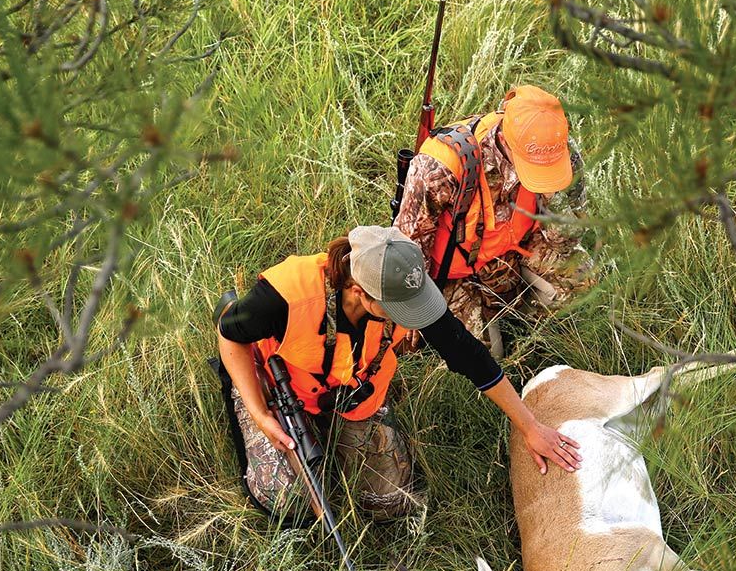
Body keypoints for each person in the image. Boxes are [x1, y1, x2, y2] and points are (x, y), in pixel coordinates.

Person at [215, 225, 581, 523]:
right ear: (359, 291)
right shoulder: (287, 294)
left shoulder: (406, 285)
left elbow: (469, 356)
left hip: (354, 398)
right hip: (282, 391)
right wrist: (261, 414)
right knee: (288, 500)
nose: (413, 316)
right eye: (398, 310)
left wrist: (530, 427)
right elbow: (229, 337)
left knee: (389, 500)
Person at [394, 84, 591, 357]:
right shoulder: (441, 166)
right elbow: (406, 251)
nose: (543, 175)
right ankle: (490, 325)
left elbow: (569, 238)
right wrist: (415, 312)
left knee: (582, 278)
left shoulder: (558, 151)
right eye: (534, 169)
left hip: (514, 252)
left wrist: (553, 196)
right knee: (484, 359)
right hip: (457, 276)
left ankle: (524, 327)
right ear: (506, 143)